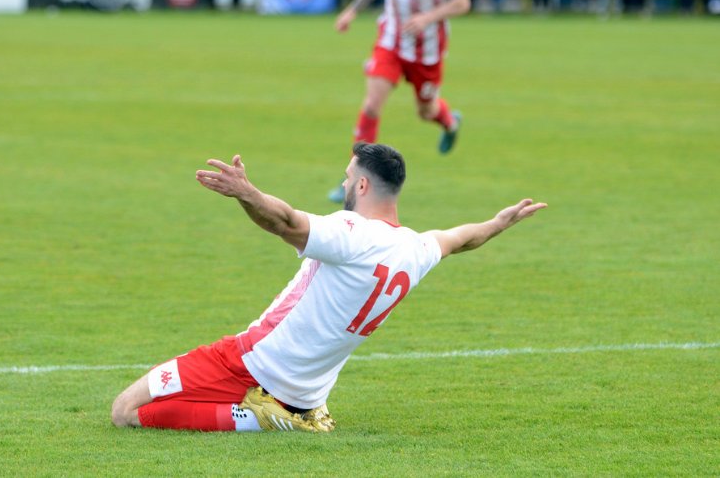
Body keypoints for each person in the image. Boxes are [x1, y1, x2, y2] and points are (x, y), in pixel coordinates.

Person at [111, 142, 546, 433]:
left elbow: (284, 221)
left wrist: (246, 192)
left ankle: (260, 417)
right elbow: (462, 237)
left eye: (346, 176)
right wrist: (499, 222)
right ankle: (287, 411)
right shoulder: (415, 249)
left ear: (362, 185)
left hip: (252, 363)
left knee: (126, 410)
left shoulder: (353, 232)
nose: (341, 185)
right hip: (309, 390)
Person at [327, 0, 472, 203]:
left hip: (427, 49)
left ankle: (450, 123)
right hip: (391, 42)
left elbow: (463, 3)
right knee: (371, 107)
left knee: (426, 111)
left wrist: (427, 17)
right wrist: (352, 11)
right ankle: (355, 177)